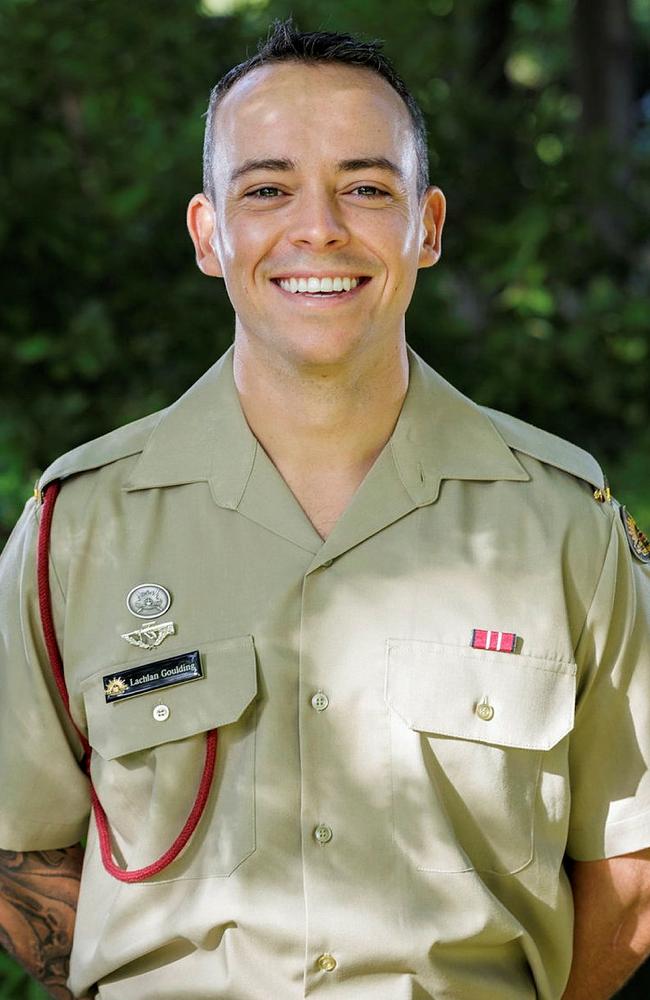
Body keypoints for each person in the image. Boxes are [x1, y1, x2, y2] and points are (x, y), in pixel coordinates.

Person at [1, 17, 650, 1000]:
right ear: (208, 233)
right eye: (265, 189)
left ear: (425, 226)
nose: (319, 228)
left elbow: (627, 875)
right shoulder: (75, 529)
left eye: (365, 186)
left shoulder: (564, 525)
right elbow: (20, 850)